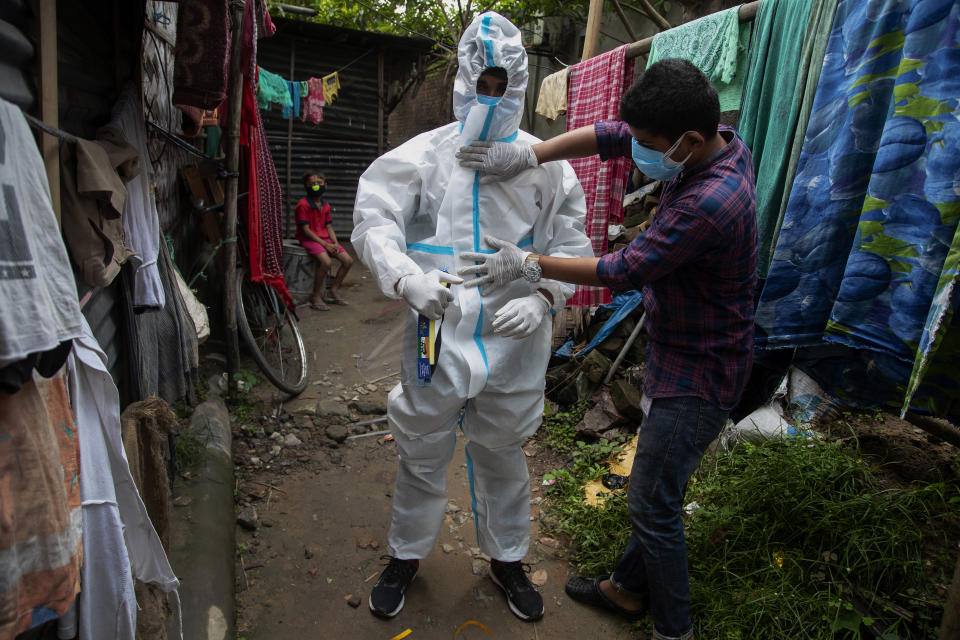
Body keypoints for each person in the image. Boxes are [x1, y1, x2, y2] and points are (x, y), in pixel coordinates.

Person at [456, 58, 758, 640]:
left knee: (652, 504)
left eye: (650, 145)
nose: (637, 150)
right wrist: (530, 153)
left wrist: (531, 266)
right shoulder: (716, 146)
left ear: (689, 141)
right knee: (660, 490)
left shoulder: (711, 202)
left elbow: (625, 268)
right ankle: (624, 588)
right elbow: (614, 135)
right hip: (682, 348)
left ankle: (674, 630)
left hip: (702, 371)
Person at [350, 12, 593, 623]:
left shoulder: (549, 164)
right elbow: (373, 218)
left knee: (503, 453)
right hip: (436, 330)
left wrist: (543, 298)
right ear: (462, 79)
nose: (488, 95)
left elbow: (574, 249)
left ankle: (507, 559)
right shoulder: (426, 154)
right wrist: (407, 278)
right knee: (422, 449)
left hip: (516, 340)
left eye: (499, 83)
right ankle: (406, 555)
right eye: (478, 82)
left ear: (516, 83)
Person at [294, 171, 353, 310]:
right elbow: (306, 230)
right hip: (308, 239)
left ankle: (333, 290)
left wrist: (335, 243)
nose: (316, 186)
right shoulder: (303, 205)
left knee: (348, 261)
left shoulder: (325, 205)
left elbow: (329, 226)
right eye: (312, 184)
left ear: (325, 185)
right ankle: (315, 296)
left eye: (319, 183)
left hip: (325, 239)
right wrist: (325, 244)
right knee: (326, 262)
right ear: (306, 187)